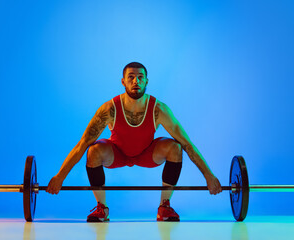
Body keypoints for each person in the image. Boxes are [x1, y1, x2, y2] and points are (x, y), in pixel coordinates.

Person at [46, 62, 222, 222]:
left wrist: (208, 175)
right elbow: (82, 144)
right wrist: (60, 177)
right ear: (123, 81)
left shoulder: (159, 109)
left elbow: (187, 144)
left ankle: (164, 207)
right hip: (117, 154)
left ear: (147, 81)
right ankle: (102, 208)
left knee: (176, 147)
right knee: (93, 150)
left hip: (147, 154)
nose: (135, 81)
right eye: (131, 77)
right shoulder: (109, 109)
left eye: (140, 77)